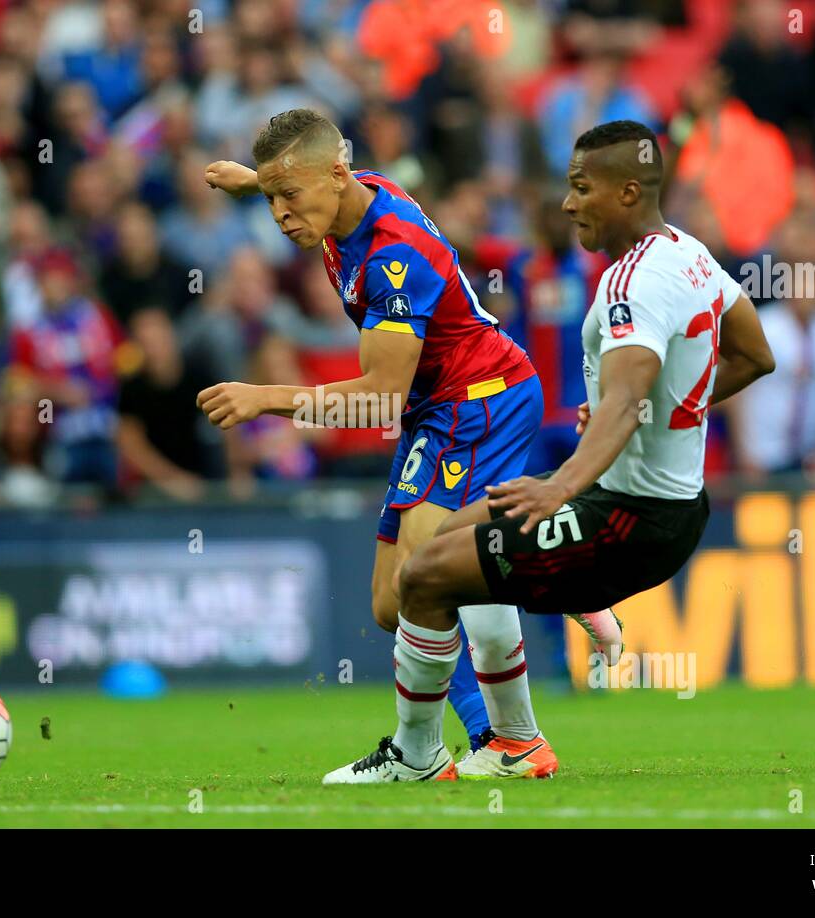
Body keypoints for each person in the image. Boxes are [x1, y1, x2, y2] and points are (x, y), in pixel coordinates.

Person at [320, 120, 774, 782]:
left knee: (422, 579)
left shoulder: (631, 286)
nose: (566, 203)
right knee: (450, 546)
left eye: (580, 188)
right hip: (653, 500)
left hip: (624, 513)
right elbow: (755, 355)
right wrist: (662, 412)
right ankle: (512, 743)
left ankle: (430, 754)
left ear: (626, 192)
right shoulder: (690, 254)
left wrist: (562, 484)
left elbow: (622, 402)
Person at [199, 108, 623, 781]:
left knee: (427, 579)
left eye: (289, 196)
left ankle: (543, 592)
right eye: (274, 198)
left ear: (336, 177)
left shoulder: (392, 257)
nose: (280, 214)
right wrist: (256, 182)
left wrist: (265, 397)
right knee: (393, 604)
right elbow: (313, 171)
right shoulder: (347, 194)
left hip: (478, 400)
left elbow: (379, 395)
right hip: (440, 411)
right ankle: (499, 738)